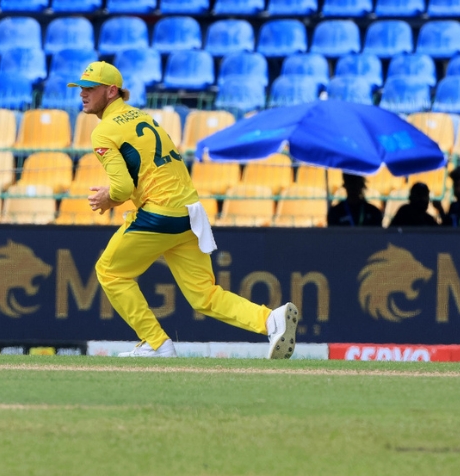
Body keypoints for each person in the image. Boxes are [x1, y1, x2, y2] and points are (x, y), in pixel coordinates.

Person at [71, 61, 299, 359]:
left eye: (90, 88)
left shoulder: (104, 132)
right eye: (81, 89)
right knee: (205, 295)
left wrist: (108, 199)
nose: (83, 94)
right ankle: (271, 320)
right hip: (189, 213)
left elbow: (123, 188)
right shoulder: (143, 117)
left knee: (110, 272)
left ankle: (156, 344)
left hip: (159, 213)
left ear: (111, 91)